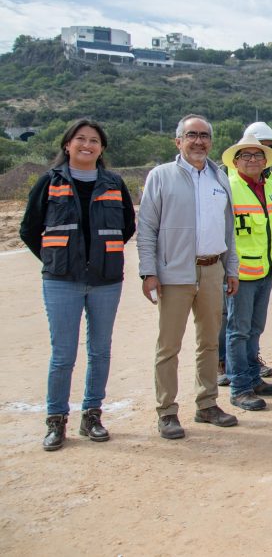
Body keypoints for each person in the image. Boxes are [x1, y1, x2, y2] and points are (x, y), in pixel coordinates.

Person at [19, 119, 136, 451]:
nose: (87, 145)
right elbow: (29, 229)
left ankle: (92, 415)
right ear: (67, 145)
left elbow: (127, 226)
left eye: (94, 140)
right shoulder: (49, 182)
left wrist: (99, 257)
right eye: (80, 139)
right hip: (62, 282)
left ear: (102, 148)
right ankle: (56, 420)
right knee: (63, 355)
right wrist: (58, 259)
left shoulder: (114, 183)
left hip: (105, 281)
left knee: (100, 351)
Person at [138, 115, 240, 439]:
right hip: (174, 274)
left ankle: (207, 404)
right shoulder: (161, 177)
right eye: (191, 135)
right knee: (169, 346)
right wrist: (149, 272)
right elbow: (146, 229)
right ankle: (166, 412)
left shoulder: (219, 178)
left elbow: (228, 231)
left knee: (209, 343)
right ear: (178, 141)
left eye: (205, 136)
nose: (199, 141)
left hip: (213, 270)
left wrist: (231, 269)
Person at [222, 134, 272, 411]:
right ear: (235, 161)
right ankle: (239, 387)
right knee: (238, 330)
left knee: (255, 328)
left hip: (267, 268)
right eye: (245, 156)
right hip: (240, 273)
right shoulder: (228, 187)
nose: (252, 160)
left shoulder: (271, 185)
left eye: (258, 155)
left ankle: (252, 377)